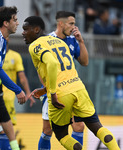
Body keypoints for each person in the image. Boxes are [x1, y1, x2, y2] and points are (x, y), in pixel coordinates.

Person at [22, 16, 120, 150]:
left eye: (25, 29)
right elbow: (65, 72)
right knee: (97, 127)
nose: (23, 33)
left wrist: (51, 92)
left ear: (36, 29)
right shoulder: (60, 42)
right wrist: (44, 90)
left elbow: (52, 63)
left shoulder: (35, 46)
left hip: (60, 93)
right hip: (78, 87)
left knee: (61, 135)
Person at [36, 11, 89, 150]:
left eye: (74, 24)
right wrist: (49, 90)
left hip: (70, 90)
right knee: (48, 130)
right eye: (71, 23)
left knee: (79, 125)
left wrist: (81, 41)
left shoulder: (72, 40)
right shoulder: (46, 40)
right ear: (61, 23)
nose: (74, 27)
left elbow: (84, 62)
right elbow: (40, 69)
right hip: (54, 92)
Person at [0, 38, 35, 150]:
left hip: (8, 97)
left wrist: (28, 92)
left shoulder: (15, 56)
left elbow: (22, 77)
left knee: (0, 128)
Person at [0, 6, 27, 149]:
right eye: (14, 20)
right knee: (1, 128)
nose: (18, 23)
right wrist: (17, 90)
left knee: (1, 128)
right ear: (5, 23)